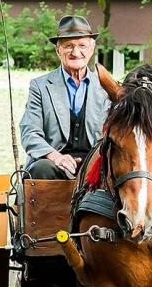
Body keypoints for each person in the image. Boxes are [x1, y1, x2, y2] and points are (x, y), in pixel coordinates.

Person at [19, 15, 109, 179]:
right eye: (69, 46)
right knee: (41, 169)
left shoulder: (105, 87)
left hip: (96, 164)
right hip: (53, 163)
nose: (76, 52)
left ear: (91, 49)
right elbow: (29, 132)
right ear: (57, 50)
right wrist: (56, 157)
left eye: (82, 45)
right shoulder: (40, 86)